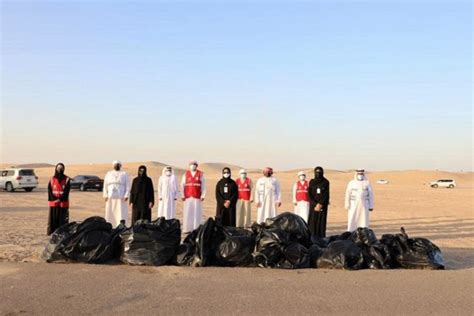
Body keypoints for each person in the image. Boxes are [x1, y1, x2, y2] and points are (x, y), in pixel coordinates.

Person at [103, 160, 131, 227]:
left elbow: (128, 185)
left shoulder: (124, 174)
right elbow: (105, 185)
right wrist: (105, 195)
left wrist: (126, 195)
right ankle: (110, 225)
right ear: (113, 166)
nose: (117, 166)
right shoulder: (109, 174)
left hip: (121, 197)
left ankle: (121, 225)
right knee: (110, 211)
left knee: (120, 212)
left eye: (118, 165)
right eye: (115, 165)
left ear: (120, 166)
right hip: (110, 196)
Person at [181, 160, 206, 233]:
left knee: (196, 213)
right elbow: (182, 185)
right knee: (187, 212)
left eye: (194, 164)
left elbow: (203, 186)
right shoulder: (186, 174)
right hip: (188, 197)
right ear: (189, 165)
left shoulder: (200, 174)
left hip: (197, 197)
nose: (193, 166)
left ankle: (196, 228)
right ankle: (187, 228)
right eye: (191, 164)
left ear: (196, 165)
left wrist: (203, 195)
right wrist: (182, 195)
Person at [47, 163, 71, 235]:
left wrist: (60, 199)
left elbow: (67, 191)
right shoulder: (52, 179)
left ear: (63, 169)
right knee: (53, 218)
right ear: (56, 168)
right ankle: (53, 232)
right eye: (58, 167)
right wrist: (54, 199)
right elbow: (49, 190)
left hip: (63, 203)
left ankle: (62, 233)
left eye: (61, 168)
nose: (59, 169)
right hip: (54, 202)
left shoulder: (67, 179)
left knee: (62, 219)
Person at [308, 166, 330, 237]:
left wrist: (320, 204)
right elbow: (309, 194)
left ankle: (321, 238)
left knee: (321, 222)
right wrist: (315, 204)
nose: (318, 174)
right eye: (317, 172)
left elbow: (326, 194)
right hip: (313, 206)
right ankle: (312, 237)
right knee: (312, 222)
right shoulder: (312, 182)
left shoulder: (325, 182)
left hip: (322, 205)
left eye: (319, 172)